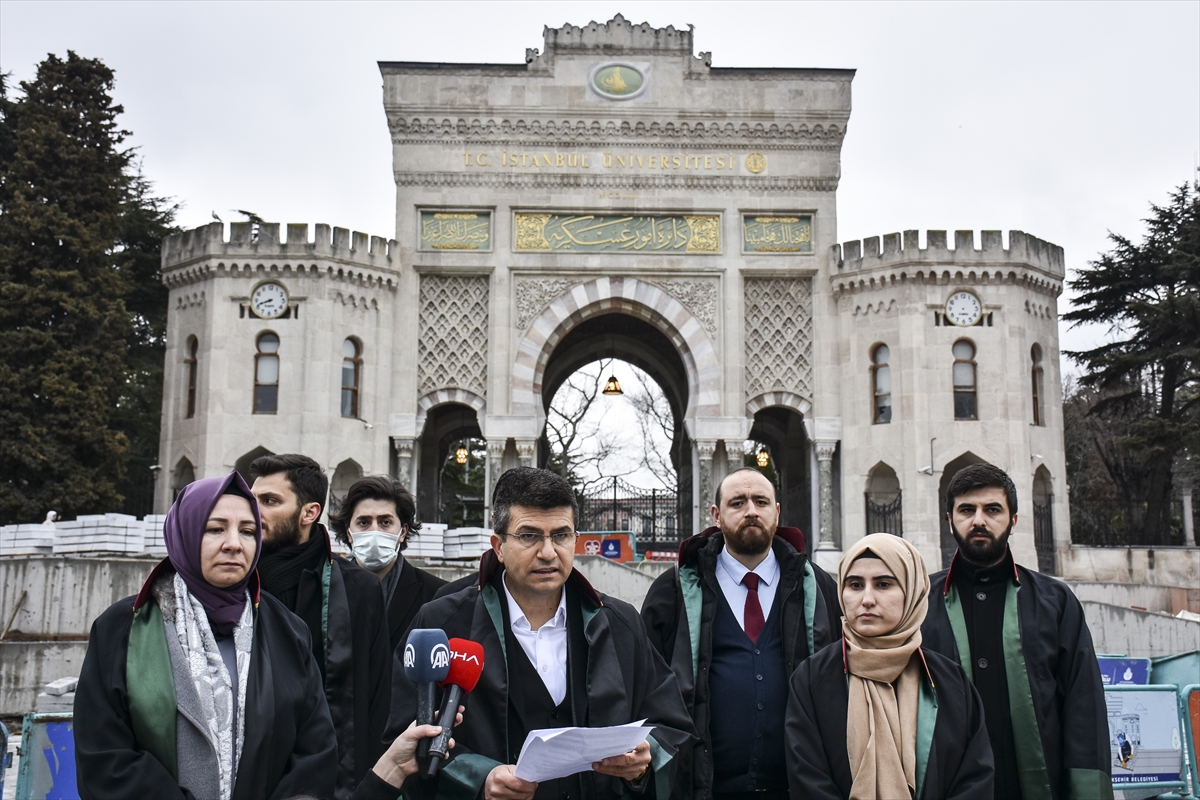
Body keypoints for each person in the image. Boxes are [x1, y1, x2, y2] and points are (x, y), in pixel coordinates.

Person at [370, 467, 696, 800]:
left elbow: (671, 725)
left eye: (561, 535)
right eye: (529, 535)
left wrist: (645, 756)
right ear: (498, 545)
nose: (548, 552)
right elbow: (403, 738)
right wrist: (479, 779)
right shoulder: (442, 623)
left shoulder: (620, 624)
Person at [74, 472, 338, 799]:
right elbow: (103, 753)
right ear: (183, 533)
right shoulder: (123, 627)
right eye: (215, 529)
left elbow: (315, 750)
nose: (233, 543)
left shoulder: (287, 630)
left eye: (248, 531)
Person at [640, 467, 841, 800]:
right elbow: (646, 685)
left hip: (797, 787)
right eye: (738, 502)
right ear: (717, 515)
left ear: (776, 513)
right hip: (704, 789)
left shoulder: (817, 588)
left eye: (761, 501)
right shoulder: (674, 592)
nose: (751, 510)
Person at [922, 463, 1113, 800]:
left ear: (1013, 520)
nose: (979, 520)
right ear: (950, 520)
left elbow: (1084, 708)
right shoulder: (921, 603)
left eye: (992, 509)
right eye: (967, 509)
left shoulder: (1055, 602)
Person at [785, 533, 995, 799]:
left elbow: (974, 778)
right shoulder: (813, 679)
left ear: (912, 591)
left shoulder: (948, 680)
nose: (867, 599)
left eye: (883, 584)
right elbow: (808, 778)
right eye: (855, 585)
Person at [250, 454, 392, 800]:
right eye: (251, 500)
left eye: (269, 501)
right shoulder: (234, 586)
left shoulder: (359, 590)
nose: (254, 513)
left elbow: (377, 701)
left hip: (334, 777)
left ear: (309, 513)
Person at [329, 475, 447, 652]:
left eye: (385, 522)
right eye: (364, 522)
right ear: (348, 533)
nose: (374, 531)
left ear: (402, 531)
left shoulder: (437, 595)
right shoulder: (326, 589)